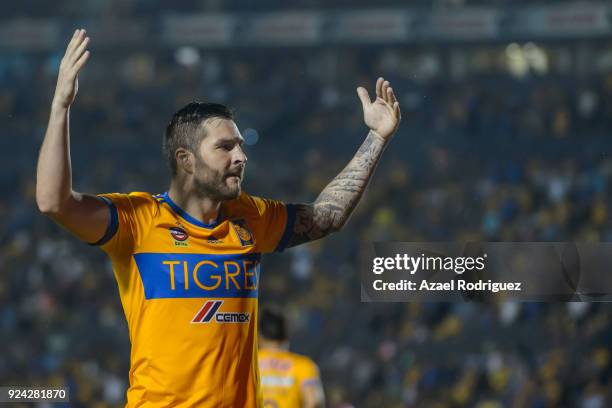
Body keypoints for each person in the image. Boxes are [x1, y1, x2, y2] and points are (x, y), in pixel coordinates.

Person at [35, 29, 401, 407]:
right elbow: (53, 202)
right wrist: (60, 107)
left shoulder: (250, 218)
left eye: (240, 146)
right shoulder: (138, 220)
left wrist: (376, 137)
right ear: (186, 160)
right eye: (225, 147)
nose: (240, 158)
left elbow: (328, 216)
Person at [259, 306, 325, 408]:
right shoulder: (304, 366)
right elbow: (313, 402)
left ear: (260, 335)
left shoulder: (246, 364)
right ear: (286, 335)